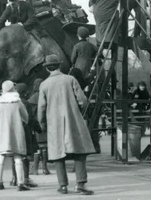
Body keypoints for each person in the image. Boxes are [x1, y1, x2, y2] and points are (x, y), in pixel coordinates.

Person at [38, 54, 95, 195]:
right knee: (80, 151)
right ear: (59, 65)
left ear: (47, 69)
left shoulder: (44, 85)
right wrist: (80, 110)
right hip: (73, 120)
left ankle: (63, 186)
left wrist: (42, 123)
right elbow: (82, 99)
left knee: (58, 154)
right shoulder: (70, 79)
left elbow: (41, 108)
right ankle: (81, 184)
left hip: (54, 123)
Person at [0, 80, 30, 191]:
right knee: (18, 157)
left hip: (2, 133)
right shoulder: (18, 102)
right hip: (16, 132)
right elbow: (26, 117)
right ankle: (20, 183)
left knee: (1, 156)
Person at [9, 83, 39, 188]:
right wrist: (38, 128)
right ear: (24, 92)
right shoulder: (25, 103)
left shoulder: (10, 102)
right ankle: (26, 178)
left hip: (12, 132)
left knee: (15, 155)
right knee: (25, 156)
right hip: (24, 132)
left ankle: (14, 178)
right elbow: (30, 119)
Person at [28, 78, 51, 175]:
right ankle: (45, 168)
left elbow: (31, 114)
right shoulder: (46, 95)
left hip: (36, 125)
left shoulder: (32, 98)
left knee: (37, 148)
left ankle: (35, 168)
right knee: (44, 147)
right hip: (45, 124)